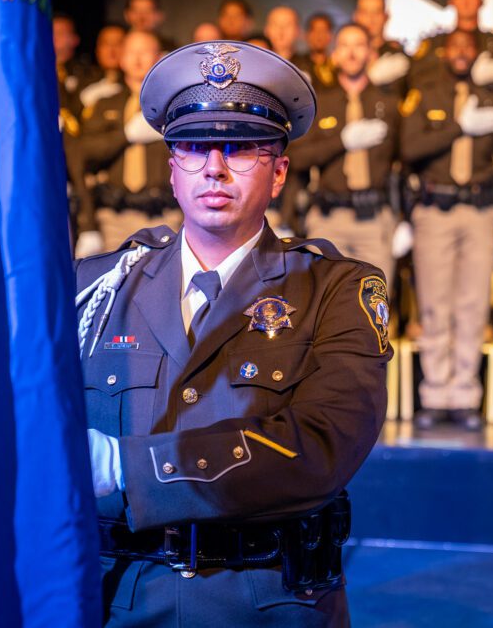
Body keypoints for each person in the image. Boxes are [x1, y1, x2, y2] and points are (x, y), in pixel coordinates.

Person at [76, 39, 390, 627]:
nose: (214, 167)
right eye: (194, 146)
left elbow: (324, 445)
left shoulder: (336, 290)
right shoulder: (96, 289)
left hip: (268, 602)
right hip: (117, 599)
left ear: (278, 172)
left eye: (242, 148)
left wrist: (127, 468)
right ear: (172, 171)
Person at [400, 29, 493, 431]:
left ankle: (463, 394)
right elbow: (409, 149)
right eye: (456, 47)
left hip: (481, 210)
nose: (462, 53)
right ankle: (435, 393)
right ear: (445, 52)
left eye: (470, 48)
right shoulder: (426, 94)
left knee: (472, 305)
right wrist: (458, 126)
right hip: (436, 208)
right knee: (434, 305)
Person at [289, 23, 400, 283]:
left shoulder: (388, 103)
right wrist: (342, 141)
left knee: (375, 307)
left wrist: (403, 218)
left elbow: (405, 158)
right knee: (325, 307)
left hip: (374, 218)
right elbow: (297, 157)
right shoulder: (320, 102)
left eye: (359, 45)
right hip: (329, 220)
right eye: (345, 46)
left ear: (370, 54)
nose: (351, 53)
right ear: (335, 54)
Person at [78, 30, 181, 257]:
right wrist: (125, 135)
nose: (137, 58)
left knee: (165, 284)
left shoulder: (173, 106)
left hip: (164, 214)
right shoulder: (104, 103)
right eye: (131, 52)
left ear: (159, 57)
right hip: (115, 215)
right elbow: (84, 154)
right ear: (122, 58)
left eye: (145, 52)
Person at [408, 0, 493, 96]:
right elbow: (414, 81)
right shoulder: (432, 44)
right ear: (451, 0)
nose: (466, 1)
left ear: (481, 0)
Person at [353, 0, 409, 94]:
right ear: (356, 16)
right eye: (365, 12)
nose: (370, 19)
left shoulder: (398, 58)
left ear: (386, 16)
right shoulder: (345, 58)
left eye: (376, 12)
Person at [79, 24, 127, 114]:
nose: (111, 50)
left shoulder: (134, 87)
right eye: (106, 43)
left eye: (118, 43)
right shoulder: (81, 80)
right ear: (97, 49)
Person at [304, 13, 336, 88]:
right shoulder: (297, 65)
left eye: (324, 30)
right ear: (307, 35)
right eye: (314, 30)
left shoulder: (338, 66)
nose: (319, 35)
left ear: (331, 35)